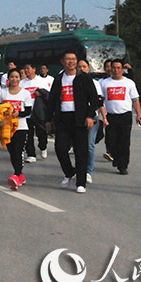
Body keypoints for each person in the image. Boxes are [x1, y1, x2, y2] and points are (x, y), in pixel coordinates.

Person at [46, 51, 99, 194]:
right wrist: (48, 119)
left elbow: (94, 99)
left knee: (81, 152)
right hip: (62, 119)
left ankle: (81, 183)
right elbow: (52, 101)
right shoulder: (58, 79)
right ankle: (69, 172)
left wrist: (90, 116)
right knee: (60, 148)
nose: (71, 62)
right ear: (62, 61)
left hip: (80, 119)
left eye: (73, 59)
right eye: (68, 59)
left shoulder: (84, 78)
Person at [101, 60, 141, 175]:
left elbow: (135, 100)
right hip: (110, 116)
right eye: (114, 68)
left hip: (125, 116)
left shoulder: (129, 83)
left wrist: (138, 115)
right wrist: (101, 116)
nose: (116, 70)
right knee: (110, 140)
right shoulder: (104, 83)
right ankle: (115, 156)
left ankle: (123, 165)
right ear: (110, 69)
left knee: (124, 141)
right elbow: (100, 101)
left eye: (118, 68)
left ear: (122, 70)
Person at [0, 68, 33, 190]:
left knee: (18, 151)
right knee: (12, 152)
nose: (14, 79)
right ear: (8, 79)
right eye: (12, 77)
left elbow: (28, 110)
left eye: (17, 77)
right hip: (6, 127)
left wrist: (19, 113)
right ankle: (20, 175)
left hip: (21, 127)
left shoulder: (25, 93)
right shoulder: (2, 92)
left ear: (20, 78)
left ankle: (16, 176)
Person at [78, 59, 105, 184]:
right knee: (78, 146)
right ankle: (78, 169)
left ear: (89, 68)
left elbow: (98, 102)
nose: (82, 69)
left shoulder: (95, 83)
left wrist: (103, 118)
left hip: (91, 118)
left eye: (84, 66)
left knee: (89, 145)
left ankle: (88, 171)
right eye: (79, 67)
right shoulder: (72, 82)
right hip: (76, 118)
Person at [20, 63, 51, 161]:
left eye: (28, 68)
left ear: (34, 69)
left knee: (41, 133)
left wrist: (41, 93)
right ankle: (31, 154)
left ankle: (43, 147)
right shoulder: (22, 83)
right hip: (27, 113)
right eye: (25, 69)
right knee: (28, 134)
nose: (26, 70)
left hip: (39, 112)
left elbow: (48, 95)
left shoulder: (41, 81)